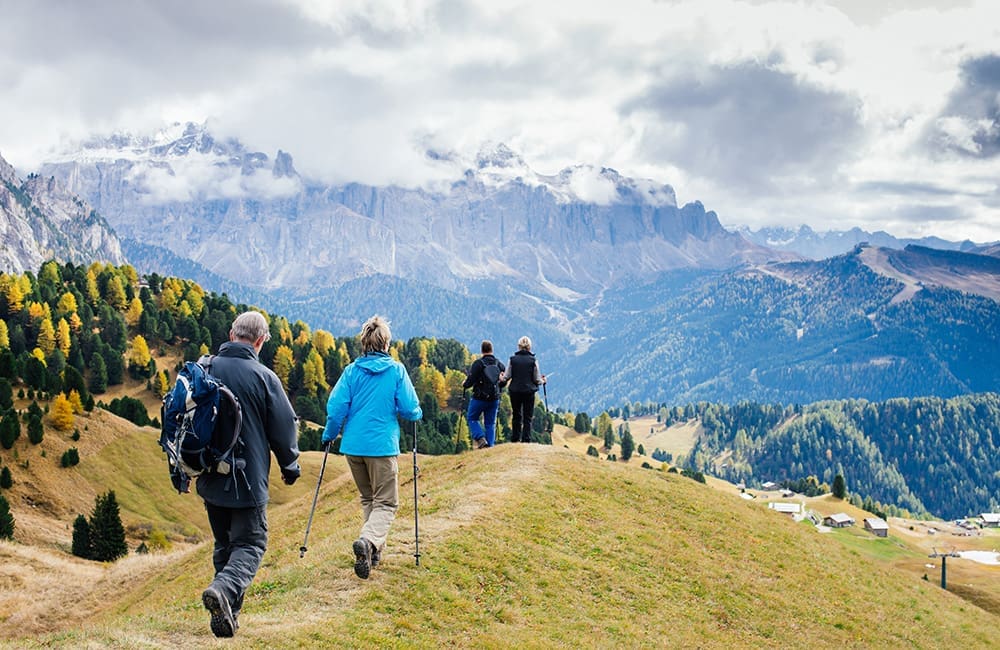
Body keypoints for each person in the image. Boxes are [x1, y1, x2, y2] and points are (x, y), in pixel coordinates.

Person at [199, 311, 301, 639]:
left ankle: (228, 616)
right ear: (259, 341)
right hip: (246, 480)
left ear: (231, 334)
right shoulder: (264, 377)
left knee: (225, 545)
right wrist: (290, 466)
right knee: (252, 543)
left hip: (210, 479)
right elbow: (284, 429)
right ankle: (224, 590)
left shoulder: (204, 368)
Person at [322, 315, 422, 579]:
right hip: (382, 446)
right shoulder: (396, 371)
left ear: (364, 342)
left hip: (353, 447)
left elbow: (335, 408)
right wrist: (416, 412)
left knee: (369, 499)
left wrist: (329, 435)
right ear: (386, 343)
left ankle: (373, 552)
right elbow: (410, 410)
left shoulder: (351, 372)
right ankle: (368, 541)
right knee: (386, 503)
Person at [500, 336, 546, 443]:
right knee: (527, 416)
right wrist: (543, 381)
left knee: (516, 415)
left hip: (515, 391)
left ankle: (515, 438)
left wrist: (501, 377)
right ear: (529, 347)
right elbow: (537, 379)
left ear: (519, 346)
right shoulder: (533, 360)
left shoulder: (512, 359)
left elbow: (506, 377)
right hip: (529, 392)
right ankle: (526, 439)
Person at [462, 340, 507, 448]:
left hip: (479, 398)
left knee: (472, 418)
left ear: (482, 350)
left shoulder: (478, 364)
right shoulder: (499, 364)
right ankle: (490, 447)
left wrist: (464, 384)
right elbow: (503, 382)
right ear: (492, 350)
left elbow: (470, 381)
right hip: (494, 399)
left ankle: (480, 438)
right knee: (490, 424)